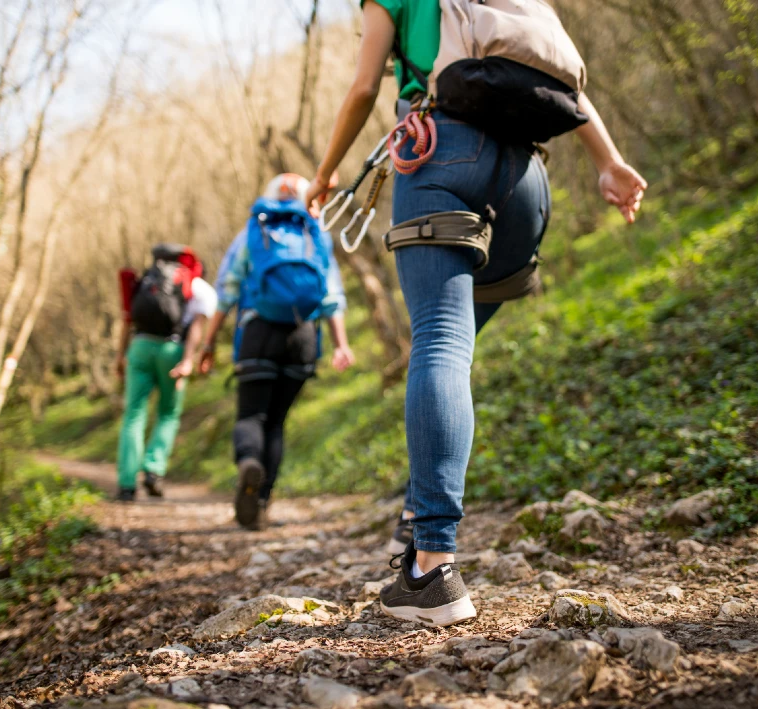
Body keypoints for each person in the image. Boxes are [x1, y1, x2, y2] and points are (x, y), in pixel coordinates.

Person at [306, 0, 647, 626]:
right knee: (451, 346)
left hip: (438, 153)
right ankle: (417, 510)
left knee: (440, 341)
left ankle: (431, 568)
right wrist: (609, 161)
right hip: (526, 182)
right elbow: (567, 80)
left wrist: (326, 174)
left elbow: (361, 88)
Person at [201, 174, 356, 530]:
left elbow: (226, 289)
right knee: (277, 423)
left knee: (252, 416)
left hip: (258, 332)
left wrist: (209, 343)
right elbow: (332, 296)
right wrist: (342, 344)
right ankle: (263, 503)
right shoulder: (316, 233)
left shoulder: (254, 231)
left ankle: (248, 464)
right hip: (302, 336)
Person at [115, 245, 218, 501]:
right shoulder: (197, 286)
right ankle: (153, 469)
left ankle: (127, 484)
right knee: (168, 413)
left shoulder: (147, 280)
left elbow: (128, 319)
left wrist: (120, 355)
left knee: (134, 414)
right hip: (172, 349)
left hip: (139, 347)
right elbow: (197, 326)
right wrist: (187, 360)